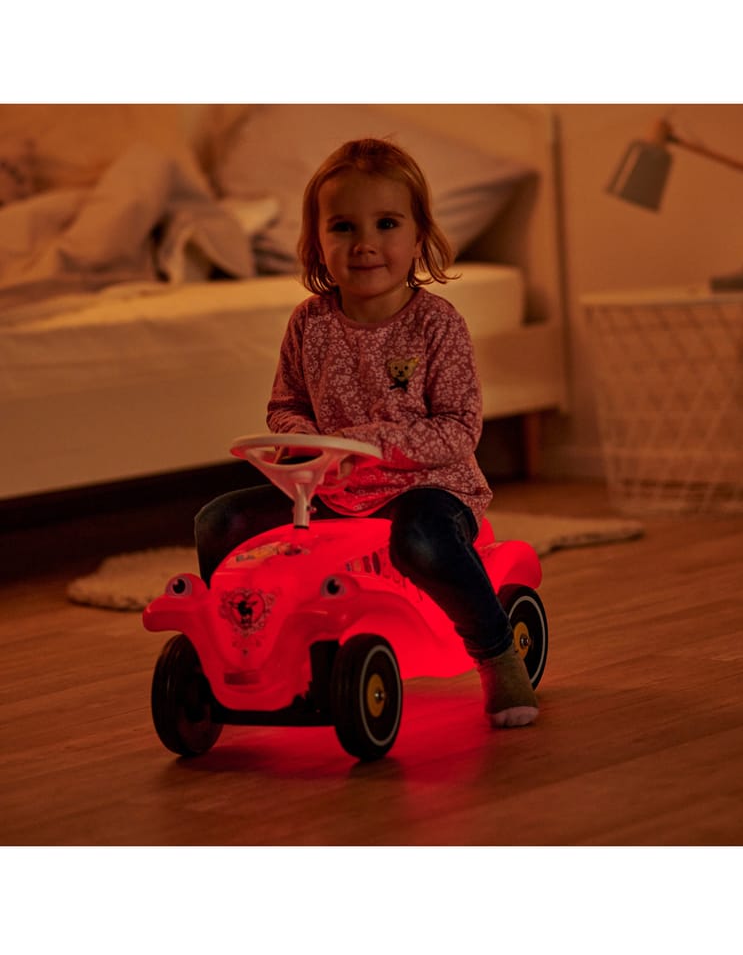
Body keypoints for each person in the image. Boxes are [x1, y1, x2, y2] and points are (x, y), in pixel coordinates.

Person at [195, 137, 538, 728]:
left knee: (422, 539)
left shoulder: (436, 325)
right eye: (343, 227)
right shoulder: (310, 323)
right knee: (221, 522)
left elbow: (459, 429)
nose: (364, 244)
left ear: (418, 236)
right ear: (317, 242)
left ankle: (496, 652)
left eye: (386, 224)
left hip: (427, 489)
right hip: (330, 490)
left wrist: (373, 444)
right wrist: (308, 446)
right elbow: (285, 407)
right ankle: (237, 648)